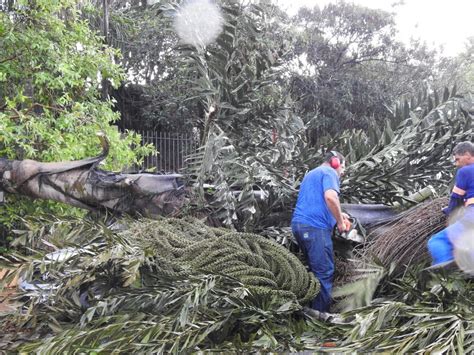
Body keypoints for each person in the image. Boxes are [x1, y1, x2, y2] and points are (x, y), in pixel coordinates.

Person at [291, 151, 349, 312]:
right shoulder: (329, 172)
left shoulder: (311, 174)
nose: (342, 172)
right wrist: (339, 223)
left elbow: (317, 201)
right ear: (335, 162)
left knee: (314, 271)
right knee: (324, 272)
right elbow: (331, 197)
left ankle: (306, 310)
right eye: (342, 167)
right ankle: (319, 317)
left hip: (299, 226)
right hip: (315, 228)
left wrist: (340, 214)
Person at [427, 141, 474, 267]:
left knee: (438, 241)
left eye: (458, 159)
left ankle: (446, 272)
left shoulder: (466, 171)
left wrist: (449, 213)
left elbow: (456, 199)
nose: (457, 164)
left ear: (467, 155)